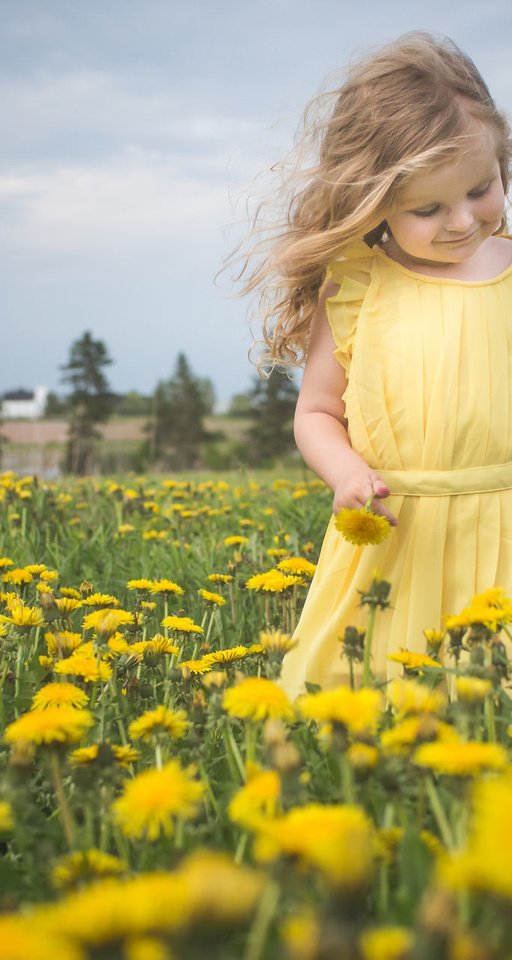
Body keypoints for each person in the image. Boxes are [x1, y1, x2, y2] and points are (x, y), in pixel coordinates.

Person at [241, 32, 512, 698]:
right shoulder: (358, 286)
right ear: (372, 201)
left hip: (504, 523)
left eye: (482, 188)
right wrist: (345, 473)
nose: (462, 221)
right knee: (374, 696)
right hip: (399, 534)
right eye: (428, 208)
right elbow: (316, 412)